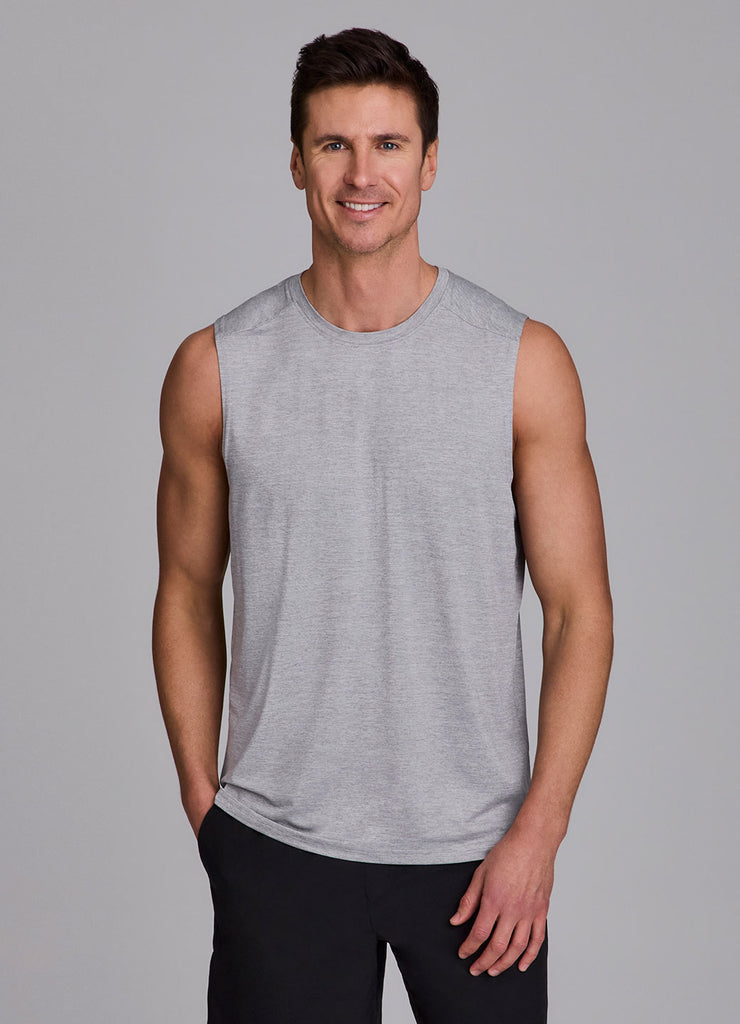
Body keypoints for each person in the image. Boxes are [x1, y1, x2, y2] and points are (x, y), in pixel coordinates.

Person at [152, 25, 613, 1024]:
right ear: (296, 162)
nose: (362, 175)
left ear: (429, 163)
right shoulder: (217, 367)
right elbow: (185, 590)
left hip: (480, 856)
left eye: (388, 145)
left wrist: (539, 832)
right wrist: (206, 806)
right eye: (334, 145)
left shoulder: (522, 363)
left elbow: (579, 613)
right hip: (277, 846)